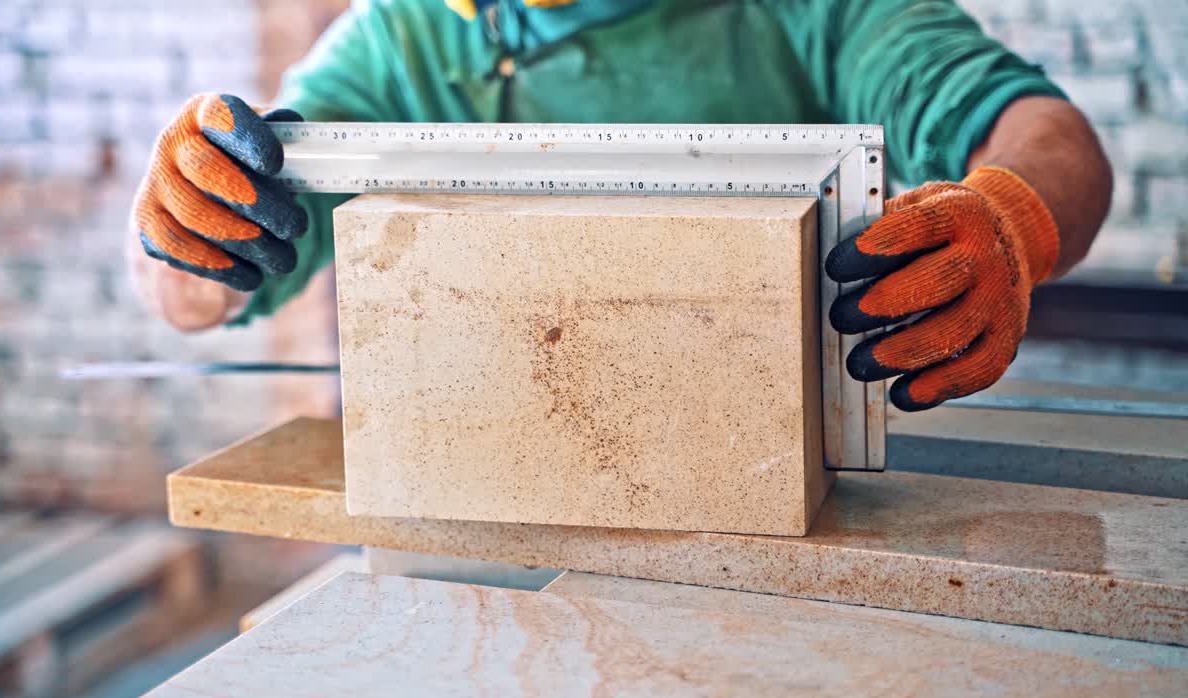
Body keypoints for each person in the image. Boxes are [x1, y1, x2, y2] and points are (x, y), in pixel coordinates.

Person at [128, 0, 1111, 411]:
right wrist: (182, 233)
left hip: (789, 484)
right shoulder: (404, 34)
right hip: (483, 500)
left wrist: (1010, 221)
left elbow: (1044, 134)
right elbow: (187, 298)